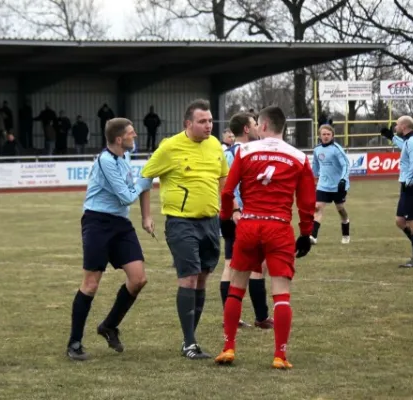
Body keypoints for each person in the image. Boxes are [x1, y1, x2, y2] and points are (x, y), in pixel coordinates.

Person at [214, 105, 316, 369]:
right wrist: (306, 233)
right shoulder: (299, 157)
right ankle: (280, 355)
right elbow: (306, 202)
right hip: (279, 227)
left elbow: (227, 191)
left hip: (249, 224)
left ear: (264, 125)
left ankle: (228, 348)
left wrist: (226, 218)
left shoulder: (245, 151)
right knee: (281, 294)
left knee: (236, 287)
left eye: (258, 123)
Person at [140, 99, 228, 360]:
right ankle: (190, 343)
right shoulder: (170, 147)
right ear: (188, 124)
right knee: (188, 277)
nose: (208, 125)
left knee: (202, 277)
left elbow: (223, 178)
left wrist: (228, 209)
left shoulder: (215, 146)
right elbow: (145, 177)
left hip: (210, 222)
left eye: (211, 120)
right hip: (181, 222)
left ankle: (190, 339)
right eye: (203, 121)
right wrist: (146, 215)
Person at [67, 118, 153, 361]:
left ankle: (108, 326)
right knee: (91, 284)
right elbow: (127, 196)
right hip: (97, 223)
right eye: (131, 133)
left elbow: (131, 190)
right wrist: (145, 181)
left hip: (120, 224)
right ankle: (74, 342)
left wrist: (146, 213)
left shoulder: (124, 157)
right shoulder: (106, 160)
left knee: (138, 279)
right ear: (119, 139)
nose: (135, 135)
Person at [219, 112, 272, 329]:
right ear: (247, 129)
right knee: (236, 265)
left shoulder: (244, 151)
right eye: (255, 123)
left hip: (244, 214)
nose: (259, 127)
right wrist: (236, 210)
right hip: (239, 215)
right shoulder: (237, 153)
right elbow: (229, 184)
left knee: (251, 264)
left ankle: (258, 316)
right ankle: (243, 317)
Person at [380, 116, 413, 267]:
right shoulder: (410, 140)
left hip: (412, 186)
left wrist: (409, 182)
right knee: (400, 221)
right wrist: (391, 137)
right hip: (408, 186)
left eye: (396, 125)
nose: (394, 127)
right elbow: (404, 146)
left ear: (403, 126)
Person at [310, 124, 351, 245]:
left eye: (328, 134)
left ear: (332, 136)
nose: (326, 136)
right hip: (323, 185)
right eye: (324, 134)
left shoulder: (336, 149)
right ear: (320, 136)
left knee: (340, 209)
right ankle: (313, 236)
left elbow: (346, 165)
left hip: (338, 185)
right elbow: (316, 166)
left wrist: (343, 179)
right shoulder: (317, 150)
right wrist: (314, 177)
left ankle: (346, 232)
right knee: (317, 208)